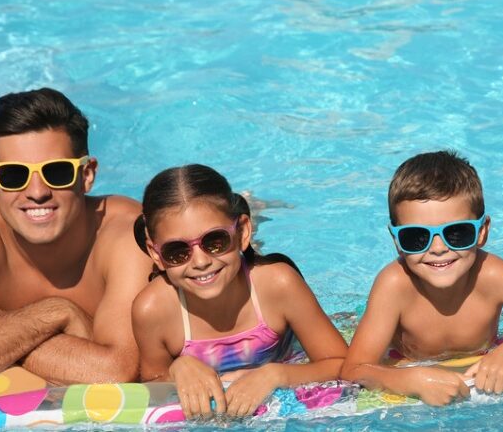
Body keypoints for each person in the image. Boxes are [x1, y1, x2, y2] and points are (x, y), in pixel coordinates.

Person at [341, 150, 503, 406]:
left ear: (482, 231)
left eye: (457, 233)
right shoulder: (394, 286)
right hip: (404, 357)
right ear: (396, 240)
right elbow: (354, 369)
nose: (438, 248)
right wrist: (409, 380)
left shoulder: (492, 276)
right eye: (416, 237)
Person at [0, 88, 151, 394]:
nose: (37, 191)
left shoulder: (128, 234)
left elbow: (119, 372)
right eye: (14, 175)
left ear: (87, 175)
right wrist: (53, 313)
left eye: (57, 173)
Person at [131, 164, 347, 419]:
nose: (200, 261)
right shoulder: (153, 310)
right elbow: (152, 384)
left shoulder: (278, 285)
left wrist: (277, 374)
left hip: (285, 356)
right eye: (177, 251)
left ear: (243, 231)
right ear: (156, 254)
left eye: (214, 241)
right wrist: (178, 368)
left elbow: (345, 366)